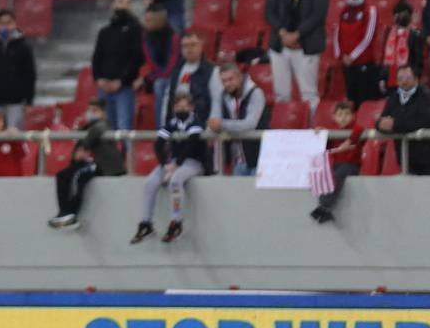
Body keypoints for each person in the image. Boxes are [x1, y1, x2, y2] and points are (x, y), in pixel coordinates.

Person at [133, 89, 208, 245]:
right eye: (178, 107)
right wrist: (165, 164)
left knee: (175, 181)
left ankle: (176, 222)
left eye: (185, 106)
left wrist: (175, 165)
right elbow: (159, 144)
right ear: (174, 108)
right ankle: (146, 222)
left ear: (191, 107)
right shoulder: (172, 124)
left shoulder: (196, 123)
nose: (182, 110)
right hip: (173, 162)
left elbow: (192, 145)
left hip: (193, 162)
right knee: (149, 183)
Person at [265, 0, 328, 111]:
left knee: (308, 93)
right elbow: (269, 11)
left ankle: (311, 130)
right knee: (281, 94)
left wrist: (297, 35)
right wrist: (282, 32)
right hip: (280, 45)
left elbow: (318, 14)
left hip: (306, 45)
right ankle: (283, 130)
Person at [49, 102, 127, 229]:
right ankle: (64, 212)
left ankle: (72, 213)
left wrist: (84, 148)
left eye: (95, 110)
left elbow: (97, 131)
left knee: (78, 176)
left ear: (103, 113)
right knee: (62, 175)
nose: (91, 113)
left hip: (102, 165)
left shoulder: (104, 125)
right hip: (86, 163)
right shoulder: (86, 127)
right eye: (89, 110)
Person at [377, 63, 430, 174]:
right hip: (405, 159)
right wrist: (380, 124)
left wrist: (395, 125)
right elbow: (383, 119)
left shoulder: (426, 97)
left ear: (416, 79)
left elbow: (425, 122)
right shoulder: (393, 98)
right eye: (400, 78)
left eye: (407, 78)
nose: (404, 81)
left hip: (428, 159)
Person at [91, 0, 144, 130]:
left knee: (124, 128)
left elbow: (137, 58)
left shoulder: (136, 29)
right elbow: (97, 57)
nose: (124, 5)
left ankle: (127, 152)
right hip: (104, 86)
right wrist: (99, 78)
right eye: (121, 1)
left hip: (124, 88)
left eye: (128, 2)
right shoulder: (105, 31)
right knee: (105, 128)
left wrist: (121, 81)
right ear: (113, 4)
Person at [209, 60, 269, 176]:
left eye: (230, 79)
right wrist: (214, 123)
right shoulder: (222, 95)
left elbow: (250, 124)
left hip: (259, 158)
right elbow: (214, 118)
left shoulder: (256, 93)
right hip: (238, 160)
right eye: (224, 81)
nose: (227, 84)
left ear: (240, 77)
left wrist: (222, 124)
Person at [310, 100, 365, 223]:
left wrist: (349, 141)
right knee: (327, 175)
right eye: (340, 115)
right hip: (336, 164)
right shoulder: (332, 131)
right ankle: (324, 206)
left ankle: (325, 205)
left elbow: (360, 128)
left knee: (337, 175)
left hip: (351, 165)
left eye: (346, 114)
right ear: (334, 117)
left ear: (353, 116)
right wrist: (321, 131)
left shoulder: (354, 129)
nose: (343, 118)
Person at [0, 9, 37, 125]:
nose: (5, 27)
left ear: (15, 24)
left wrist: (29, 101)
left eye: (8, 23)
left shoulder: (24, 48)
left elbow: (30, 75)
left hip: (16, 102)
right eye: (2, 23)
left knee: (15, 136)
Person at [334, 0, 384, 102]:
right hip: (347, 65)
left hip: (364, 65)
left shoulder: (370, 10)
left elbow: (368, 37)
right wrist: (340, 55)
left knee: (365, 102)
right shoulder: (344, 10)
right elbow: (337, 34)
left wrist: (352, 56)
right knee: (351, 101)